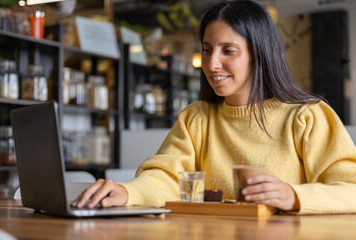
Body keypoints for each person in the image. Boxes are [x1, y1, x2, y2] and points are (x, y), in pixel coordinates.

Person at [72, 0, 356, 214]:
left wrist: (293, 196)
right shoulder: (197, 118)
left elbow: (351, 190)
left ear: (259, 54)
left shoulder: (307, 116)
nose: (211, 64)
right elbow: (167, 178)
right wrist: (125, 192)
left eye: (228, 51)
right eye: (207, 49)